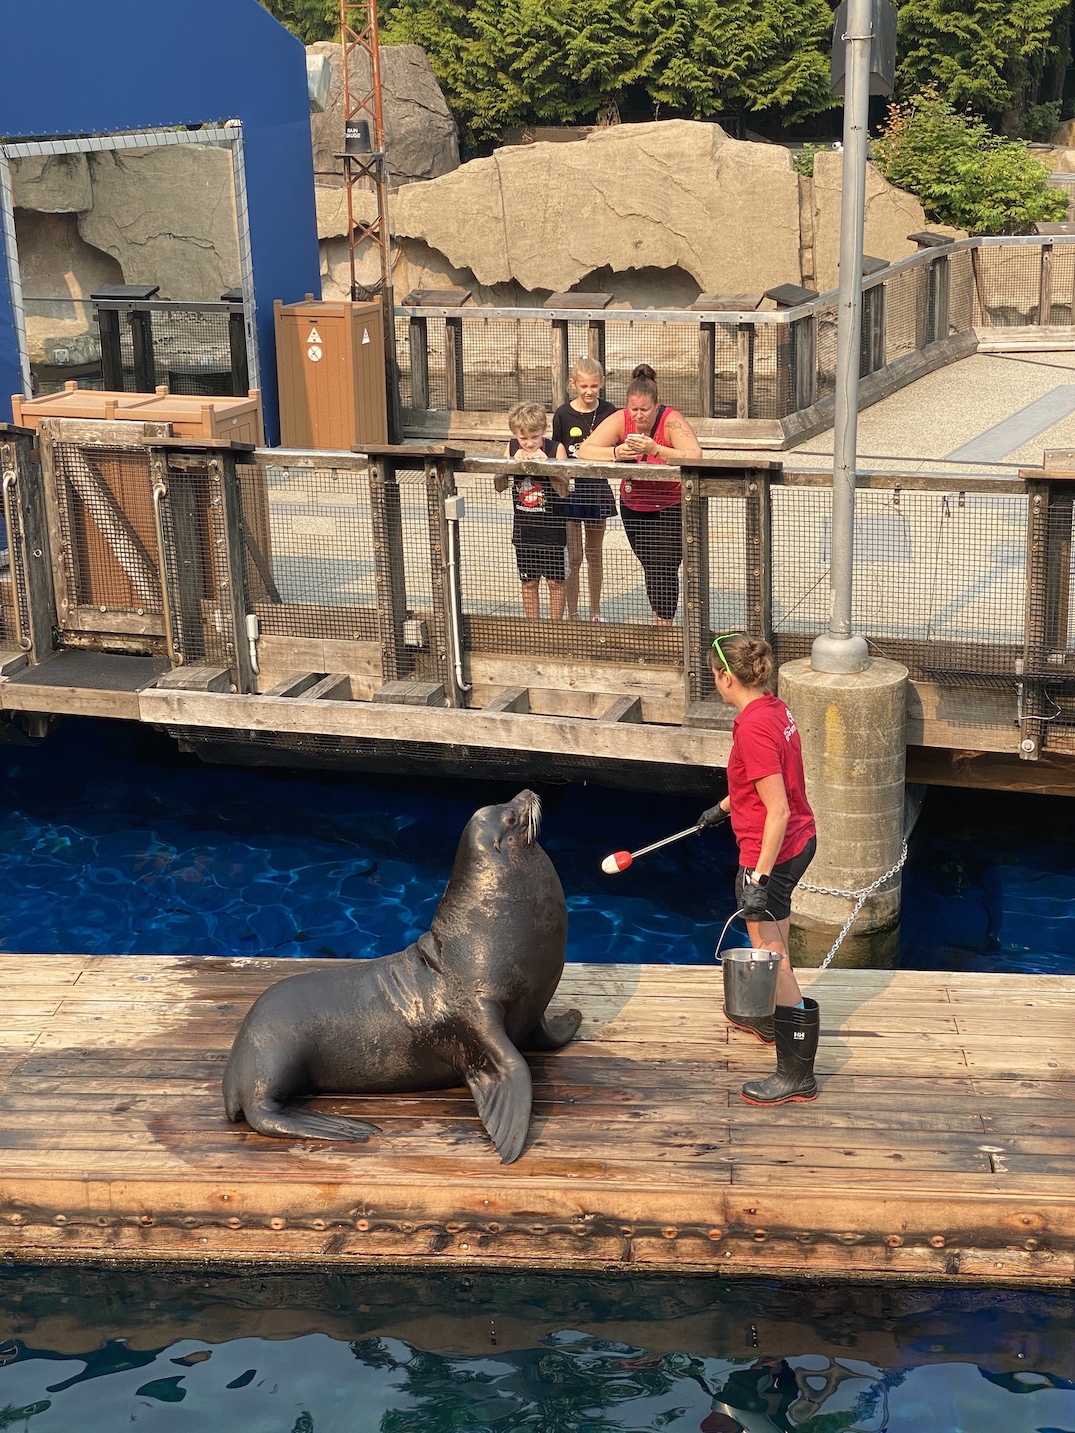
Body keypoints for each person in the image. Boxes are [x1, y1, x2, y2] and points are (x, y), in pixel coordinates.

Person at [697, 632, 820, 1105]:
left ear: (727, 676)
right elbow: (769, 775)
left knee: (774, 957)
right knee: (778, 946)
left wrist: (758, 879)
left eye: (714, 676)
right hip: (797, 843)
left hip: (773, 851)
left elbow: (779, 810)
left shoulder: (751, 726)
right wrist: (725, 806)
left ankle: (796, 1075)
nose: (716, 683)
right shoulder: (773, 708)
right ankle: (770, 1022)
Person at [578, 363, 701, 625]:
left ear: (657, 404)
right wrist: (616, 453)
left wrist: (657, 449)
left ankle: (663, 622)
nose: (639, 415)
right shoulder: (622, 418)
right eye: (634, 409)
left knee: (664, 567)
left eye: (644, 409)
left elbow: (694, 455)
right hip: (634, 504)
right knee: (651, 565)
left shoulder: (671, 420)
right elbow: (586, 449)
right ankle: (660, 617)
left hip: (670, 504)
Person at [551, 356, 617, 622]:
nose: (589, 392)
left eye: (594, 386)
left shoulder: (609, 411)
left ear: (601, 384)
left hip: (597, 487)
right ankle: (573, 611)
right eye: (584, 386)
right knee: (574, 556)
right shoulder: (562, 414)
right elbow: (556, 450)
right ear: (573, 385)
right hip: (570, 489)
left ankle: (595, 611)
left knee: (594, 554)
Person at [495, 401, 568, 620]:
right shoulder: (511, 447)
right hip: (524, 528)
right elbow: (499, 485)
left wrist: (548, 465)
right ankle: (533, 628)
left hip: (553, 529)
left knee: (555, 582)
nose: (529, 443)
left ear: (543, 431)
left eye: (534, 437)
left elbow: (565, 489)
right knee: (528, 582)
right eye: (523, 438)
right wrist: (509, 465)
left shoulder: (556, 448)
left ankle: (555, 628)